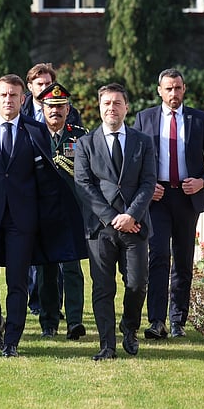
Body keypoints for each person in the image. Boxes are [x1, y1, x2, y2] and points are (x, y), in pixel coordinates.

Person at [0, 74, 85, 358]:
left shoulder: (36, 131)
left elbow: (47, 178)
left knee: (18, 281)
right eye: (4, 95)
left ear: (23, 99)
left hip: (22, 221)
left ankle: (12, 338)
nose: (9, 100)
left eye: (14, 95)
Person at [134, 68, 204, 340]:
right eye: (168, 89)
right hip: (158, 199)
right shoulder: (144, 119)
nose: (173, 93)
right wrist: (147, 188)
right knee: (159, 255)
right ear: (159, 91)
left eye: (177, 88)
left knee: (183, 260)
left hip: (187, 197)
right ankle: (156, 321)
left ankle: (177, 321)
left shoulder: (198, 120)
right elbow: (134, 160)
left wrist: (203, 181)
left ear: (184, 89)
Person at [75, 83, 156, 360]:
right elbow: (84, 186)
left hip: (135, 225)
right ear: (99, 107)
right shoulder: (85, 144)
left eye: (117, 103)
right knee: (103, 287)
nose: (112, 108)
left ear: (126, 107)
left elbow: (148, 183)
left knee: (137, 283)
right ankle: (107, 344)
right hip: (101, 229)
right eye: (107, 103)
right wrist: (112, 218)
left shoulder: (142, 141)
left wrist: (131, 215)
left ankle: (129, 327)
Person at [35, 83, 89, 340]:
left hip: (71, 213)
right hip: (42, 213)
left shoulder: (81, 136)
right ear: (42, 109)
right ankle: (49, 322)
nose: (55, 111)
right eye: (50, 107)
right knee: (46, 270)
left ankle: (75, 322)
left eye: (59, 106)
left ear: (68, 109)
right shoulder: (33, 135)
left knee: (72, 269)